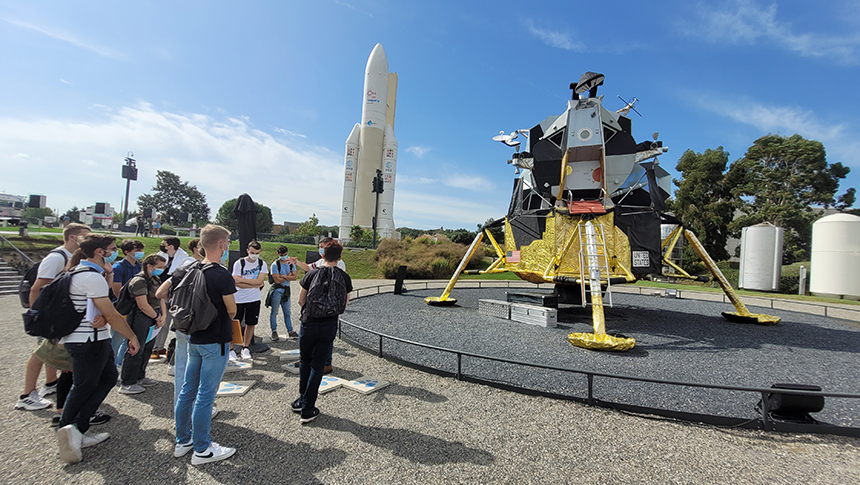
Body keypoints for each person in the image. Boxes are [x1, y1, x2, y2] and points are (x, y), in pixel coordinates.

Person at [56, 234, 141, 464]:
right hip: (88, 339)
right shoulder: (91, 277)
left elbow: (100, 312)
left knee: (107, 377)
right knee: (84, 385)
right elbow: (111, 313)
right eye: (111, 249)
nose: (115, 253)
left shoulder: (76, 272)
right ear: (99, 252)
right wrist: (131, 336)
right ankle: (70, 430)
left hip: (85, 337)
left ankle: (77, 428)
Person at [170, 224, 237, 465]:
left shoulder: (190, 268)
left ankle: (182, 440)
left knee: (188, 391)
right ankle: (202, 448)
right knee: (205, 395)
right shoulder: (220, 274)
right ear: (221, 245)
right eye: (227, 244)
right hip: (215, 339)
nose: (227, 248)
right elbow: (231, 309)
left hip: (193, 337)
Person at [15, 223, 91, 412]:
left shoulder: (69, 256)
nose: (88, 240)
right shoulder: (57, 257)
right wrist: (40, 316)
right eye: (85, 236)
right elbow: (37, 288)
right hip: (49, 315)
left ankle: (51, 383)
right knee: (41, 352)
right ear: (73, 237)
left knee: (53, 350)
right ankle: (27, 394)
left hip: (58, 314)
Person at [291, 239, 352, 424]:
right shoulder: (344, 277)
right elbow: (345, 303)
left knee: (305, 361)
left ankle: (302, 400)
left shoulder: (311, 274)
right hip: (329, 324)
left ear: (322, 254)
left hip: (309, 322)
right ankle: (308, 408)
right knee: (318, 365)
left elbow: (301, 300)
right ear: (340, 257)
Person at [290, 237, 346, 374]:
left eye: (323, 246)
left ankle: (326, 363)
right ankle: (306, 359)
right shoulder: (320, 261)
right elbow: (309, 268)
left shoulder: (339, 264)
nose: (320, 248)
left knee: (325, 337)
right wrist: (296, 262)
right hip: (314, 306)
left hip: (328, 305)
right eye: (319, 246)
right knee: (312, 336)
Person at [118, 255, 167, 394]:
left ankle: (140, 376)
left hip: (154, 315)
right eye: (159, 267)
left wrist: (163, 316)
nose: (161, 270)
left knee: (147, 348)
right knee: (135, 348)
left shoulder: (156, 279)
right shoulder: (139, 281)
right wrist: (157, 316)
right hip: (140, 317)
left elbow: (161, 298)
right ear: (149, 266)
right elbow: (142, 305)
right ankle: (127, 382)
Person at [152, 237, 192, 358]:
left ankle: (170, 349)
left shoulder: (184, 258)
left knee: (174, 323)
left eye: (164, 244)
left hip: (174, 295)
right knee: (161, 321)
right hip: (161, 294)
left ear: (170, 246)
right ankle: (156, 347)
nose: (162, 246)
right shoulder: (160, 256)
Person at [110, 239, 145, 367]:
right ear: (126, 252)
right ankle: (110, 365)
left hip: (135, 307)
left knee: (130, 339)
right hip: (122, 308)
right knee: (116, 339)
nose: (141, 253)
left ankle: (120, 364)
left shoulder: (139, 266)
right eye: (137, 250)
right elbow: (117, 291)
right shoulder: (118, 267)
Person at [231, 240, 267, 360]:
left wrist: (243, 281)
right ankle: (231, 349)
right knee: (235, 323)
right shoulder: (239, 263)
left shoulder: (262, 264)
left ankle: (245, 347)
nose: (254, 255)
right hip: (239, 298)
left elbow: (260, 282)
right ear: (247, 251)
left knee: (251, 323)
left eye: (256, 252)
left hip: (254, 298)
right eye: (252, 252)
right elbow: (236, 281)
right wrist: (253, 283)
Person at [268, 245, 297, 341]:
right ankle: (274, 331)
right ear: (278, 254)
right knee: (274, 311)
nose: (284, 256)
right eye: (282, 255)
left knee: (287, 312)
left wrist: (283, 276)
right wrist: (288, 276)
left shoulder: (291, 263)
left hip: (286, 290)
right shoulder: (275, 265)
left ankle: (290, 331)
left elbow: (295, 277)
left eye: (285, 254)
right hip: (277, 290)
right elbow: (276, 280)